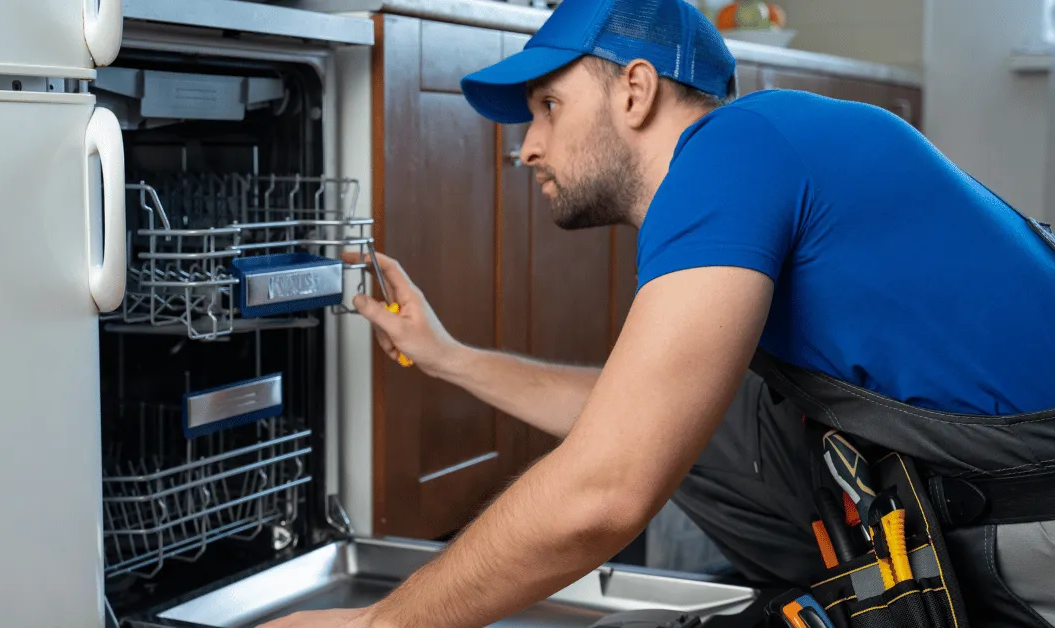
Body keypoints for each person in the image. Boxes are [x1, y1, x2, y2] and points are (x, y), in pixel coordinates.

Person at [263, 0, 1055, 626]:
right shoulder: (770, 143)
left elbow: (608, 486)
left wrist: (382, 625)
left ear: (635, 90)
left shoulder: (732, 151)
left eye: (547, 105)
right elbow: (631, 420)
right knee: (716, 420)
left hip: (1033, 519)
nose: (526, 146)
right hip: (984, 473)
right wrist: (446, 355)